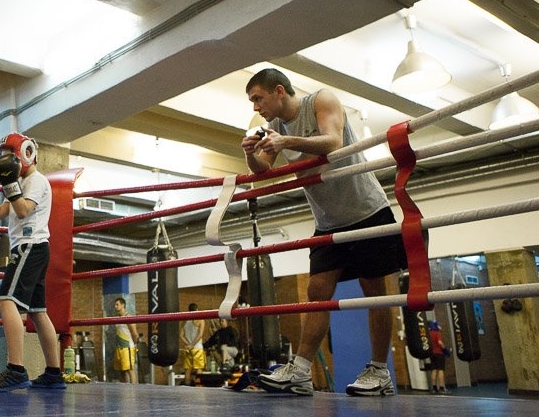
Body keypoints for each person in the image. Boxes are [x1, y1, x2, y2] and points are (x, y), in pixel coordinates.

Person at [242, 68, 407, 397]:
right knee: (317, 291)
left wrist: (285, 140)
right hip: (328, 221)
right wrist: (250, 153)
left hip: (366, 211)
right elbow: (263, 171)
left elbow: (333, 142)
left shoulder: (321, 99)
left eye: (258, 99)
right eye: (252, 102)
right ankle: (301, 371)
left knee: (375, 291)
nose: (255, 108)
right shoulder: (273, 128)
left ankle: (379, 371)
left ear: (278, 91)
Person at [0, 133, 65, 391]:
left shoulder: (37, 181)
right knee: (37, 312)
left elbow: (24, 209)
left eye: (11, 155)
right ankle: (53, 372)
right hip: (30, 248)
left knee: (5, 301)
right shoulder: (19, 181)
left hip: (31, 246)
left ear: (26, 154)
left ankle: (15, 369)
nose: (7, 160)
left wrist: (10, 184)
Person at [113, 297, 140, 384]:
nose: (115, 306)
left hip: (127, 347)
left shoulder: (128, 317)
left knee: (129, 370)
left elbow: (134, 332)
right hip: (119, 347)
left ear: (123, 305)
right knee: (121, 371)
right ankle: (123, 391)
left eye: (117, 304)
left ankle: (133, 390)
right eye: (115, 305)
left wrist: (135, 343)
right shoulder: (117, 318)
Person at [180, 303, 206, 385]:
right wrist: (192, 344)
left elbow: (181, 335)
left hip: (188, 348)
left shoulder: (184, 321)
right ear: (197, 309)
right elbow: (200, 335)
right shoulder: (200, 320)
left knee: (187, 369)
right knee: (198, 369)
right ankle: (199, 389)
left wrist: (188, 344)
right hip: (197, 347)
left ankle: (187, 389)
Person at [427, 320, 448, 394]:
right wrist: (445, 350)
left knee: (434, 370)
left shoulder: (428, 334)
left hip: (432, 354)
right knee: (441, 370)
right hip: (439, 353)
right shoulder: (437, 333)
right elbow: (440, 342)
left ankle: (434, 388)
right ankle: (442, 388)